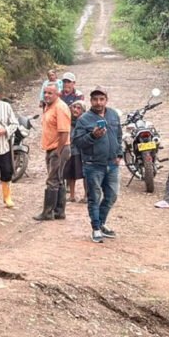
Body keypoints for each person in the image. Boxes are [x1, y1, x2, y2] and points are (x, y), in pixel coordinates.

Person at [73, 86, 123, 243]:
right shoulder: (84, 119)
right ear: (91, 101)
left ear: (106, 100)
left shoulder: (113, 115)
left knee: (112, 195)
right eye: (95, 99)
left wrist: (119, 153)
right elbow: (78, 142)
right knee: (94, 197)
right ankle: (95, 228)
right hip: (93, 164)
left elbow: (119, 136)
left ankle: (101, 223)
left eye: (101, 99)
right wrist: (93, 136)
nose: (98, 102)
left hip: (112, 163)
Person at [34, 82, 71, 221]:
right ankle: (59, 211)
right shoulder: (49, 106)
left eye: (50, 93)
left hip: (59, 148)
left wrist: (58, 151)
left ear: (58, 94)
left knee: (52, 180)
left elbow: (64, 132)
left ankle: (48, 212)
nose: (47, 95)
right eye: (45, 92)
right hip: (52, 147)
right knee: (58, 179)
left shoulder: (60, 107)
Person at [64, 100, 87, 203]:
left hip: (83, 151)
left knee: (85, 174)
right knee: (70, 174)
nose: (75, 110)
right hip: (71, 150)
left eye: (79, 108)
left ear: (83, 111)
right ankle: (72, 195)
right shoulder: (67, 120)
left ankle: (86, 195)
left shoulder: (85, 121)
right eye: (74, 107)